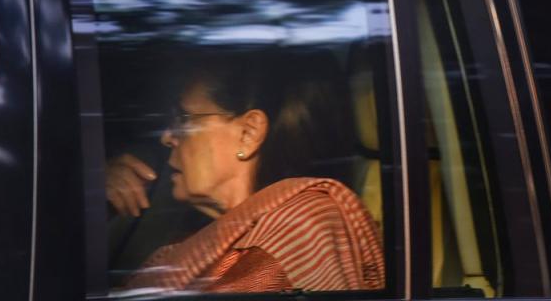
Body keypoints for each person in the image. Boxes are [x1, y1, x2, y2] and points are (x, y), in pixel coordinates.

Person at [105, 51, 385, 293]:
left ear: (248, 134)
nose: (167, 137)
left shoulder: (297, 232)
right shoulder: (213, 235)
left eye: (184, 118)